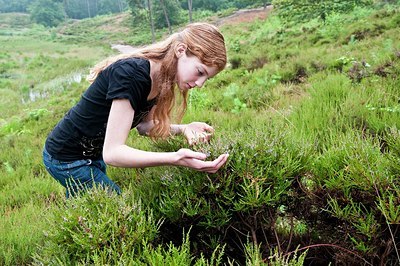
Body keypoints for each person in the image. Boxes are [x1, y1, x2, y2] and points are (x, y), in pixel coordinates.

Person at [42, 23, 229, 197]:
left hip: (91, 155)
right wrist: (175, 158)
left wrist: (184, 128)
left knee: (88, 212)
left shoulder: (161, 77)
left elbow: (145, 126)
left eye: (207, 78)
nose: (200, 83)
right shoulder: (133, 75)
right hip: (65, 157)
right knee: (116, 208)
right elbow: (113, 153)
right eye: (200, 72)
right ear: (180, 50)